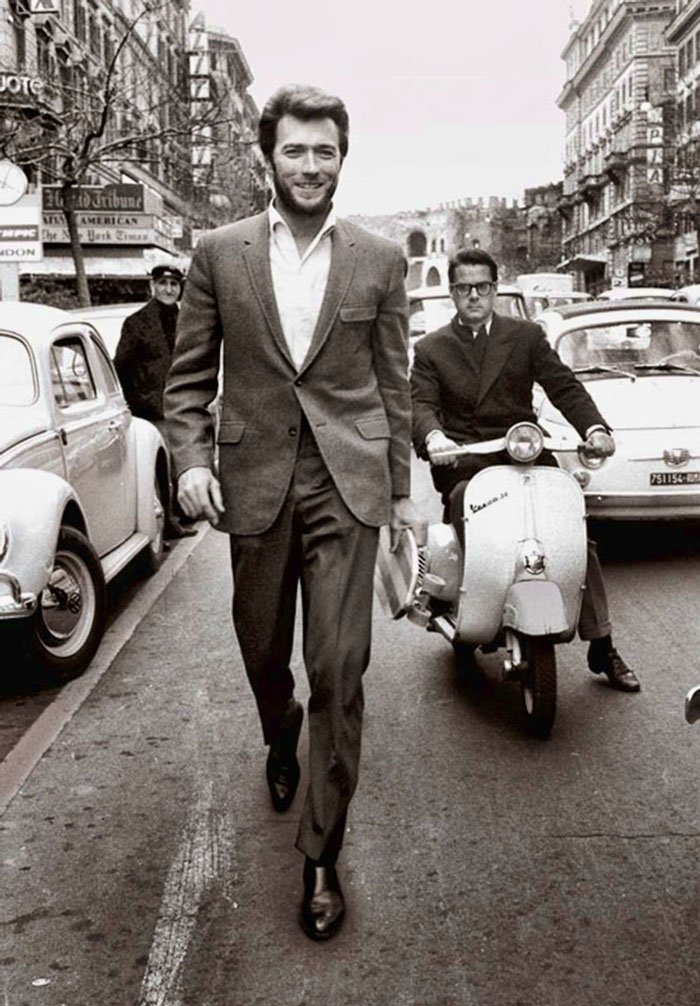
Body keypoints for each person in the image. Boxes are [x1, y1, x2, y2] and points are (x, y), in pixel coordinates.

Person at [164, 84, 422, 941]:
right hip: (256, 482)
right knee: (264, 647)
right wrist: (194, 463)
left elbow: (393, 384)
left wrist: (402, 499)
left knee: (341, 668)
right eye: (294, 151)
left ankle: (321, 853)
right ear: (266, 157)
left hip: (347, 488)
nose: (310, 166)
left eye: (325, 152)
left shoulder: (382, 259)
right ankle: (279, 729)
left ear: (343, 158)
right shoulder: (218, 252)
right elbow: (190, 379)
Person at [410, 248, 640, 693]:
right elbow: (420, 404)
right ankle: (468, 609)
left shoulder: (526, 336)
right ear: (453, 292)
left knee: (575, 533)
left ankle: (602, 643)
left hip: (524, 452)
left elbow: (563, 386)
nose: (473, 296)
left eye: (482, 287)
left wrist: (594, 427)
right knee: (466, 515)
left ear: (496, 290)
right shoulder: (432, 348)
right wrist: (435, 438)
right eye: (463, 288)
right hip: (468, 459)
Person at [114, 264, 196, 539]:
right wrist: (137, 400)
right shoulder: (137, 322)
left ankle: (179, 515)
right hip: (151, 408)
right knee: (161, 466)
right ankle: (168, 522)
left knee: (179, 464)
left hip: (181, 404)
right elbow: (121, 366)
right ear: (152, 286)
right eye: (163, 283)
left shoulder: (187, 319)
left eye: (174, 284)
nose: (168, 289)